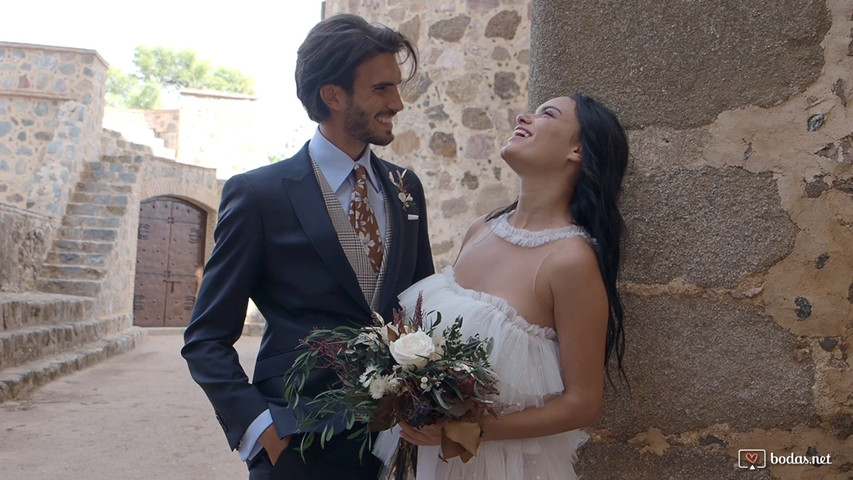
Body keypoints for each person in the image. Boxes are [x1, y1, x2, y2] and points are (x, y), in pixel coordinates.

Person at [182, 14, 434, 480]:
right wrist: (262, 430)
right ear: (332, 96)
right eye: (382, 89)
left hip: (397, 448)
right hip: (298, 447)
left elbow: (419, 307)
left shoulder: (406, 187)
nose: (397, 103)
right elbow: (205, 339)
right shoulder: (259, 195)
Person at [374, 94, 629, 479]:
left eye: (547, 114)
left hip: (499, 467)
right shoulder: (480, 229)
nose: (523, 116)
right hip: (423, 459)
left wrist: (460, 431)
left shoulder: (570, 261)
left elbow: (583, 404)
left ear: (578, 149)